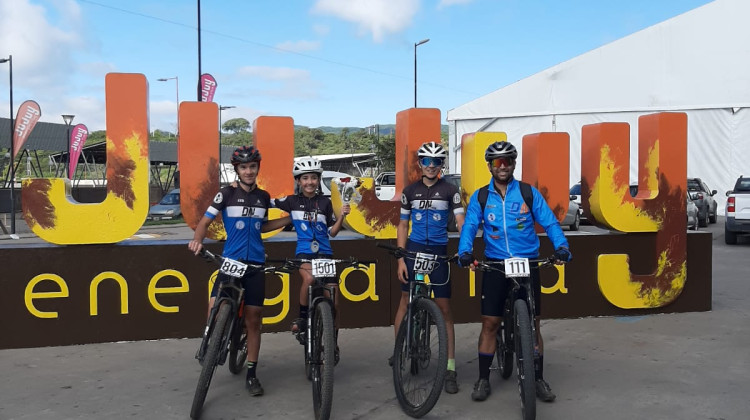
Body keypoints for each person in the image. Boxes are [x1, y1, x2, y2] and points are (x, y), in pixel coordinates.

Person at [457, 140, 572, 403]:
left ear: (514, 164)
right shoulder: (481, 197)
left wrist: (563, 247)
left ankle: (538, 378)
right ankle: (483, 379)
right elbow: (469, 227)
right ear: (489, 166)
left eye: (507, 161)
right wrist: (465, 252)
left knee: (533, 325)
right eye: (497, 162)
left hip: (527, 263)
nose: (503, 166)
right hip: (496, 263)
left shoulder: (528, 193)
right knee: (490, 324)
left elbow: (550, 223)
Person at [188, 145, 290, 397]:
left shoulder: (263, 197)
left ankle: (252, 374)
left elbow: (263, 226)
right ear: (237, 170)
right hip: (231, 260)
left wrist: (289, 219)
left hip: (255, 263)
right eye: (243, 167)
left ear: (257, 169)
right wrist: (197, 240)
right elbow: (204, 222)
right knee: (215, 304)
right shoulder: (226, 194)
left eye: (252, 166)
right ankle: (211, 341)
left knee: (254, 320)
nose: (248, 171)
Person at [393, 141, 465, 394]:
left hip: (438, 252)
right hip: (412, 251)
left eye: (436, 162)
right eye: (426, 161)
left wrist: (464, 237)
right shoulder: (409, 191)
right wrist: (401, 257)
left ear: (442, 164)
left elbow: (459, 219)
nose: (431, 166)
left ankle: (450, 367)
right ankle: (399, 350)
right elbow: (403, 225)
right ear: (419, 164)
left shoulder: (450, 190)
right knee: (405, 300)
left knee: (444, 309)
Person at [272, 157, 350, 364]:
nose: (309, 182)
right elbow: (265, 201)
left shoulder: (325, 203)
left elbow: (332, 232)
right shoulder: (291, 201)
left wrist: (341, 216)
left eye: (313, 178)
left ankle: (332, 343)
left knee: (334, 301)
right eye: (305, 178)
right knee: (309, 279)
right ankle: (302, 316)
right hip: (304, 254)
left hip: (325, 254)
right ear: (298, 181)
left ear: (318, 180)